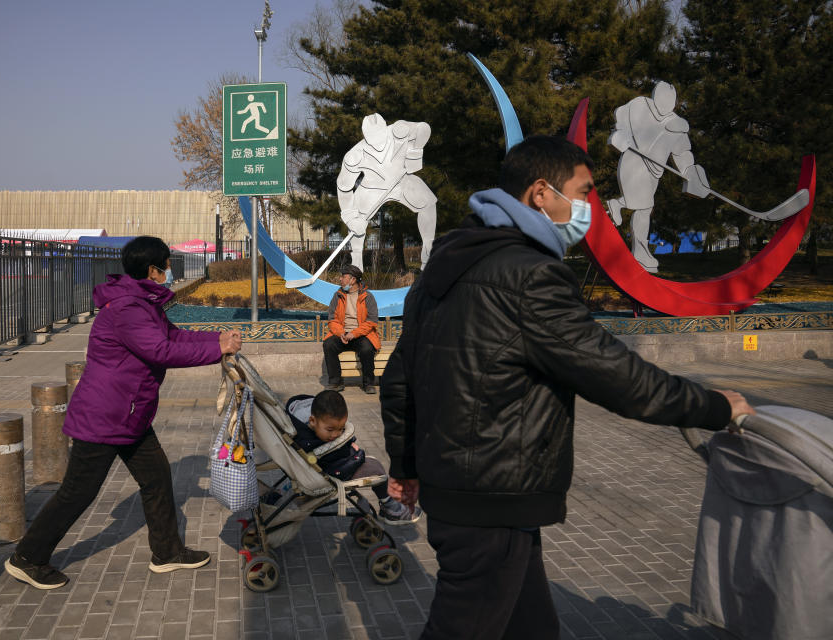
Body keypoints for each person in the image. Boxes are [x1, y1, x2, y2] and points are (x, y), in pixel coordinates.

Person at [379, 136, 754, 639]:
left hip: (466, 495)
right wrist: (711, 406)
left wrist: (405, 468)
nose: (589, 209)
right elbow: (614, 374)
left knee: (531, 628)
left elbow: (399, 379)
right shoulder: (530, 275)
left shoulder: (442, 269)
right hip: (494, 498)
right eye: (583, 193)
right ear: (540, 193)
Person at [4, 236, 242, 590]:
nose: (171, 271)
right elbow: (160, 351)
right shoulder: (129, 309)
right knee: (77, 492)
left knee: (157, 477)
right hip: (106, 416)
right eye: (167, 264)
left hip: (130, 414)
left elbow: (174, 338)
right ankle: (27, 557)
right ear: (152, 270)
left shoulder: (144, 303)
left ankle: (167, 552)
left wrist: (216, 341)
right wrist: (216, 348)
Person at [605, 81, 710, 272]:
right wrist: (620, 135)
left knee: (644, 207)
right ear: (655, 97)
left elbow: (681, 153)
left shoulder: (677, 125)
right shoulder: (639, 106)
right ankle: (640, 252)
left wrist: (689, 172)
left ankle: (618, 205)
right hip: (634, 159)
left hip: (655, 171)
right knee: (644, 208)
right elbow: (621, 119)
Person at [286, 390, 420, 525]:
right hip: (328, 468)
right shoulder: (309, 441)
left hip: (321, 461)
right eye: (330, 430)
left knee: (372, 461)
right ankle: (390, 509)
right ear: (312, 420)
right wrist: (355, 453)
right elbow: (335, 454)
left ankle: (388, 504)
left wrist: (347, 443)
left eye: (341, 429)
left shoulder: (302, 421)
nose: (336, 435)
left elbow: (334, 441)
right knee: (377, 471)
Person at [337, 113, 437, 271]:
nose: (377, 143)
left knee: (428, 202)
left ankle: (428, 255)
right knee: (356, 219)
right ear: (365, 136)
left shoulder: (399, 130)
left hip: (401, 181)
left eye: (380, 137)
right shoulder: (355, 155)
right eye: (372, 139)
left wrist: (415, 152)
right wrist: (350, 218)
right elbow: (343, 188)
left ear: (385, 129)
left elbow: (424, 128)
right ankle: (356, 263)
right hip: (371, 189)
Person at [322, 264, 381, 394]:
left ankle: (368, 383)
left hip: (361, 334)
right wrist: (342, 333)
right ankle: (336, 382)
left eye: (343, 277)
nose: (340, 279)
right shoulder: (337, 296)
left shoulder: (368, 297)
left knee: (366, 348)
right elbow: (332, 320)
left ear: (353, 280)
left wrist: (354, 334)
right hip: (342, 334)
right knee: (328, 344)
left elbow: (371, 321)